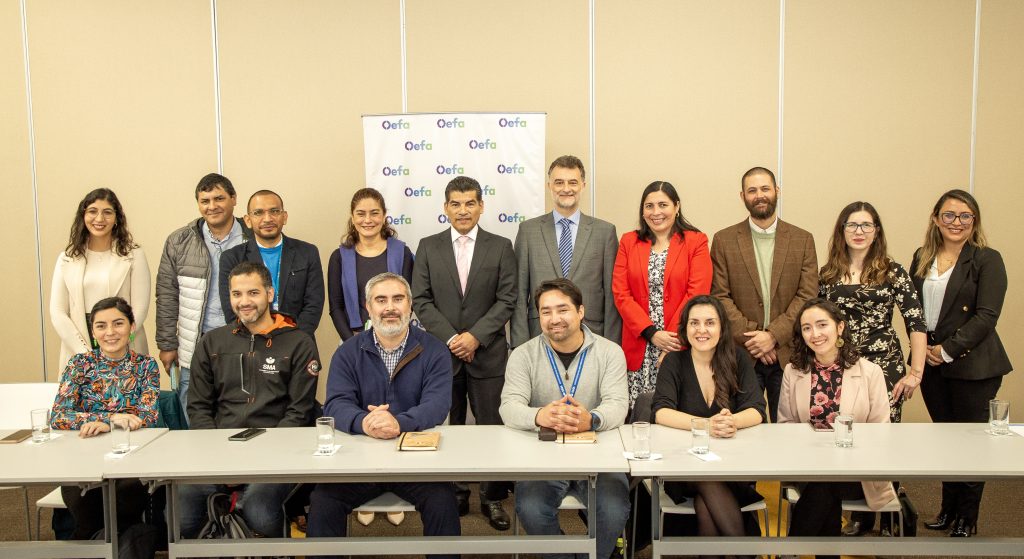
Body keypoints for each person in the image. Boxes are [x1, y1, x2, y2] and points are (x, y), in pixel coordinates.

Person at [308, 272, 460, 559]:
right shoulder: (348, 352)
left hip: (415, 461)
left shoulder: (435, 350)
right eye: (381, 300)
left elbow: (437, 404)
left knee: (443, 503)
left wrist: (398, 422)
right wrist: (364, 422)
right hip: (359, 462)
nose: (390, 307)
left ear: (410, 306)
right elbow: (336, 403)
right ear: (369, 308)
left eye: (398, 299)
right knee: (323, 501)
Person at [182, 260, 320, 538]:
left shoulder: (299, 342)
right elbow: (198, 407)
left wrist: (257, 459)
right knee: (182, 515)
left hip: (277, 455)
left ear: (269, 294)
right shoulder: (212, 342)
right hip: (219, 453)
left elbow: (299, 411)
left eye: (253, 293)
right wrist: (219, 455)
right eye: (237, 294)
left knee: (260, 513)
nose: (244, 302)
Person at [412, 175, 517, 529]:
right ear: (445, 207)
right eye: (455, 204)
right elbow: (421, 300)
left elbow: (507, 299)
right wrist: (452, 339)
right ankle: (455, 492)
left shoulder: (500, 246)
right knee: (450, 427)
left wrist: (474, 337)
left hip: (488, 354)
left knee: (491, 427)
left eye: (470, 203)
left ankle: (492, 497)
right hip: (443, 356)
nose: (463, 210)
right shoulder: (428, 246)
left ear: (481, 206)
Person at [818, 201, 927, 537]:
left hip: (885, 368)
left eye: (866, 225)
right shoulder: (828, 274)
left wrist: (916, 373)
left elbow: (915, 322)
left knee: (883, 441)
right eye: (852, 225)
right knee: (849, 437)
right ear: (842, 230)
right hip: (843, 368)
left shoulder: (893, 271)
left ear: (876, 231)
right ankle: (860, 516)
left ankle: (889, 518)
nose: (859, 231)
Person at [500, 278, 630, 559]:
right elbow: (509, 406)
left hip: (599, 457)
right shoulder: (523, 354)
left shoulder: (610, 352)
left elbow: (618, 405)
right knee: (531, 509)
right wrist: (540, 415)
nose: (554, 318)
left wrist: (591, 419)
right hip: (543, 458)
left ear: (580, 311)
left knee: (614, 509)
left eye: (562, 309)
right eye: (546, 312)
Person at [910, 189, 1011, 538]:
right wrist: (924, 351)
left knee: (970, 445)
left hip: (973, 366)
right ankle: (947, 511)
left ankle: (967, 517)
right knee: (945, 442)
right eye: (949, 215)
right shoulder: (922, 257)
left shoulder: (987, 259)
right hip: (931, 364)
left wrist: (947, 350)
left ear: (974, 221)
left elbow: (987, 316)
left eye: (965, 216)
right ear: (936, 218)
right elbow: (913, 311)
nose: (957, 222)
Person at [778, 298, 894, 559]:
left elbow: (881, 432)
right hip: (808, 468)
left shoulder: (870, 372)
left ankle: (789, 552)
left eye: (822, 325)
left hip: (856, 471)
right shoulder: (793, 372)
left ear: (840, 327)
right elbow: (785, 427)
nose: (815, 334)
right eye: (807, 328)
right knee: (823, 485)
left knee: (825, 486)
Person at [653, 295, 766, 542]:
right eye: (694, 323)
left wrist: (732, 422)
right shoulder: (674, 361)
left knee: (706, 505)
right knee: (707, 478)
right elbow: (661, 412)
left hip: (730, 464)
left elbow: (757, 410)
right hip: (684, 465)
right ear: (685, 328)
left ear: (722, 327)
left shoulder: (738, 358)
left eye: (710, 323)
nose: (701, 330)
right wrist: (706, 425)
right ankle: (742, 553)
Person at [710, 167, 817, 422]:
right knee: (745, 429)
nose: (759, 195)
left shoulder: (802, 239)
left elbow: (807, 295)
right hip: (743, 354)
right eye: (752, 190)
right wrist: (756, 338)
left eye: (765, 189)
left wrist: (773, 336)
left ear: (777, 191)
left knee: (789, 432)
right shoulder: (724, 240)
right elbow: (720, 297)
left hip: (789, 354)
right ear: (742, 196)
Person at [49, 297, 159, 542]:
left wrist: (105, 423)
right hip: (82, 459)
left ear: (132, 327)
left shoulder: (146, 366)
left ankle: (115, 544)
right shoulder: (79, 364)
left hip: (131, 458)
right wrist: (112, 419)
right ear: (93, 332)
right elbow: (59, 415)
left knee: (126, 502)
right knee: (85, 504)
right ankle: (96, 543)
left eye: (118, 323)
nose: (110, 332)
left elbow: (148, 415)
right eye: (101, 326)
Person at [155, 173, 249, 418]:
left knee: (242, 410)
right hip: (194, 344)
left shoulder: (251, 237)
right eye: (205, 201)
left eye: (219, 198)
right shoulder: (179, 241)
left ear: (234, 199)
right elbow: (166, 296)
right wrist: (167, 344)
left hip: (243, 340)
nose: (212, 206)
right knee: (194, 412)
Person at [614, 181, 712, 406]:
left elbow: (697, 293)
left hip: (680, 342)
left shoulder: (696, 241)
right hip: (640, 342)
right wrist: (651, 333)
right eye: (649, 206)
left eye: (663, 205)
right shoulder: (629, 241)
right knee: (640, 412)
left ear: (676, 206)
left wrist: (672, 340)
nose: (655, 212)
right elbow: (621, 293)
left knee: (677, 410)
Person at [511, 155, 621, 347]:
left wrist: (611, 345)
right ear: (549, 186)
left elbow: (612, 297)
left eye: (573, 182)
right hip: (540, 335)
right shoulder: (528, 231)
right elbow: (519, 294)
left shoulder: (605, 232)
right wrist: (520, 345)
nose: (566, 188)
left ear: (583, 185)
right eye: (559, 182)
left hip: (593, 334)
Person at [50, 188, 151, 369]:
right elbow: (58, 312)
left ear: (117, 218)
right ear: (83, 216)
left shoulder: (134, 255)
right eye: (92, 211)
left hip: (125, 345)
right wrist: (86, 354)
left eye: (107, 212)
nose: (99, 218)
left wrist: (116, 345)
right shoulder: (67, 258)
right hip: (79, 347)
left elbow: (140, 309)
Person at [219, 189, 324, 338]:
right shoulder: (232, 258)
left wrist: (293, 340)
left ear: (284, 217)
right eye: (258, 213)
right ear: (248, 220)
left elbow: (314, 305)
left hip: (298, 342)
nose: (267, 219)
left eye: (274, 211)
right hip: (250, 342)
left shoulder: (307, 252)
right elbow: (231, 309)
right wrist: (257, 339)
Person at [328, 187, 414, 342]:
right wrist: (352, 343)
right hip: (353, 339)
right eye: (361, 214)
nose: (367, 220)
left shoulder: (402, 253)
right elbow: (336, 307)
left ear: (384, 216)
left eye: (374, 213)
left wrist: (393, 336)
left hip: (396, 338)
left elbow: (408, 302)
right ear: (352, 217)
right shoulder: (339, 257)